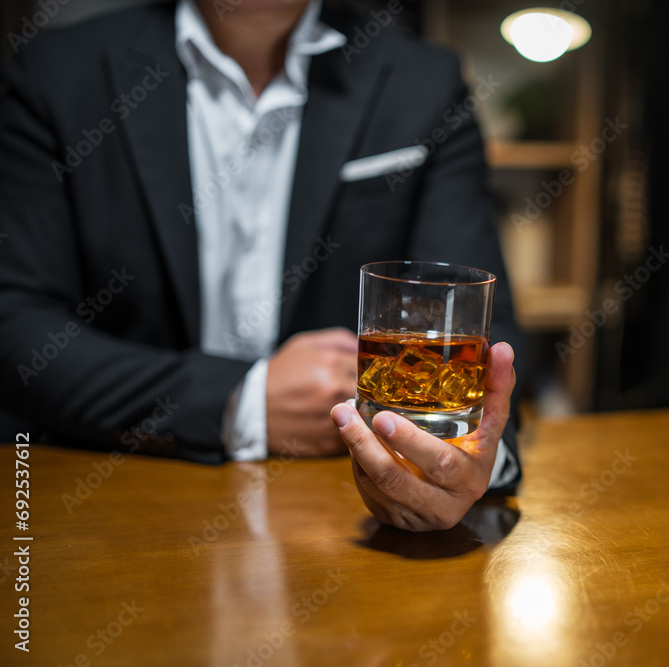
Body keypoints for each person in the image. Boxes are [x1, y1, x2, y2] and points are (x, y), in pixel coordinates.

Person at [0, 0, 522, 531]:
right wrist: (238, 402)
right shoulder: (59, 69)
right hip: (105, 505)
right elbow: (16, 325)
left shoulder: (424, 81)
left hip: (339, 513)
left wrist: (468, 464)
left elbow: (479, 325)